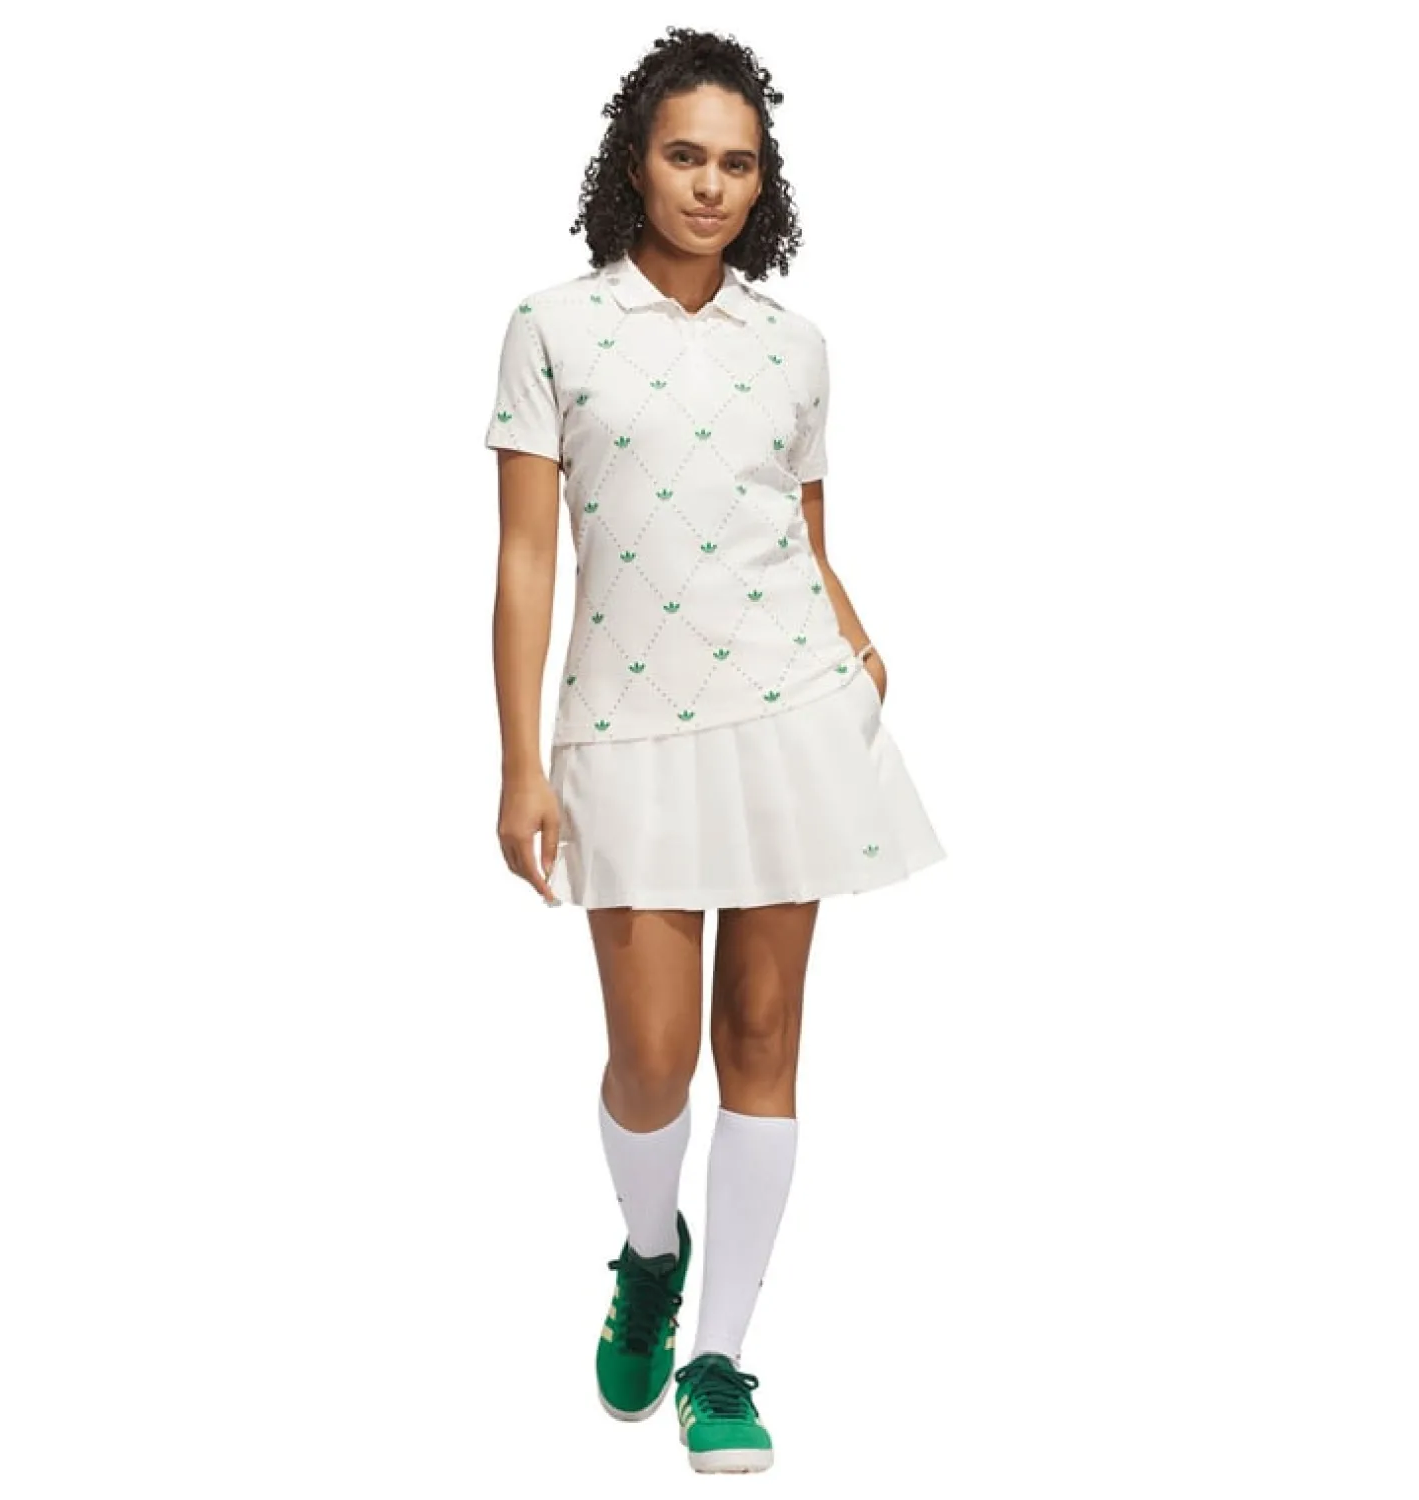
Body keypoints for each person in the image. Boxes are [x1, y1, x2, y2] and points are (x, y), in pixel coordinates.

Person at [484, 26, 945, 1475]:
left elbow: (801, 533)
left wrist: (858, 642)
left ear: (764, 182)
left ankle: (722, 1355)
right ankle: (648, 1254)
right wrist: (519, 762)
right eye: (685, 155)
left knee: (761, 1039)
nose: (709, 186)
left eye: (737, 164)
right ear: (635, 161)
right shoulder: (553, 327)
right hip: (623, 725)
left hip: (788, 708)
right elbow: (526, 559)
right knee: (650, 1060)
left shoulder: (793, 346)